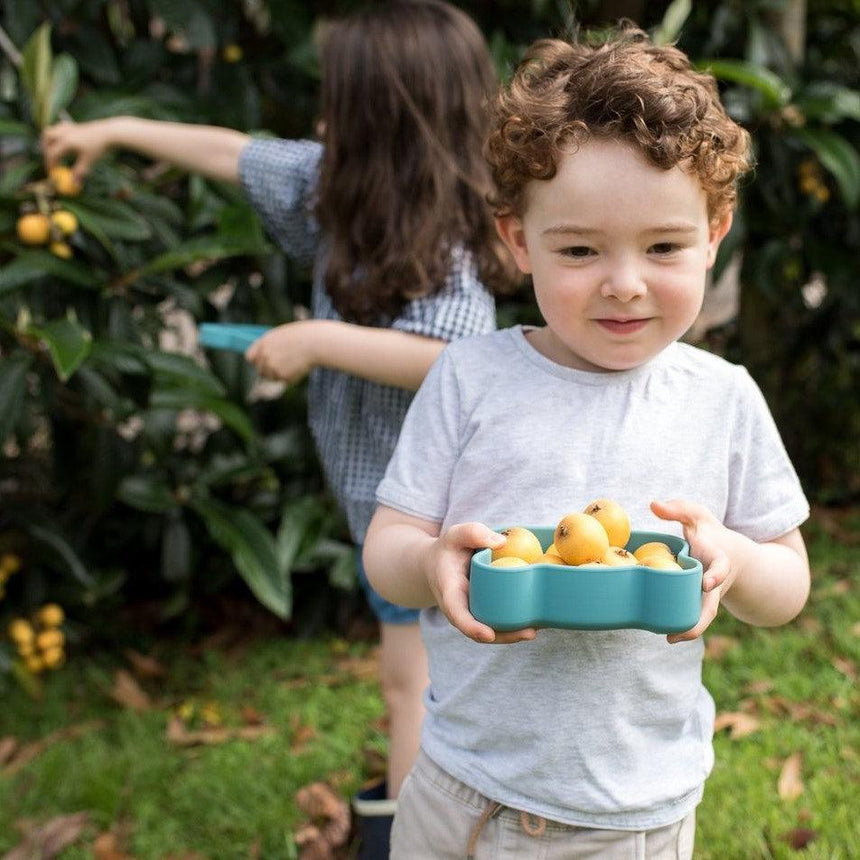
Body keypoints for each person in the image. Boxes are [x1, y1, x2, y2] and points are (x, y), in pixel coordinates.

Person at [42, 1, 514, 854]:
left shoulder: (445, 234)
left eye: (338, 100)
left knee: (417, 692)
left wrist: (315, 340)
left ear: (386, 117)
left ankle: (413, 841)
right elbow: (228, 152)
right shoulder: (335, 187)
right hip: (386, 506)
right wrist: (112, 128)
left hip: (442, 515)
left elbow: (453, 357)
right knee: (429, 687)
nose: (321, 117)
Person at [362, 25, 811, 860]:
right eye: (578, 249)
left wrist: (736, 562)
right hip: (457, 788)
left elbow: (788, 583)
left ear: (715, 231)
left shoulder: (721, 399)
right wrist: (429, 563)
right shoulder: (469, 380)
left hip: (624, 813)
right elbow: (387, 544)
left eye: (665, 247)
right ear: (516, 240)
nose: (625, 282)